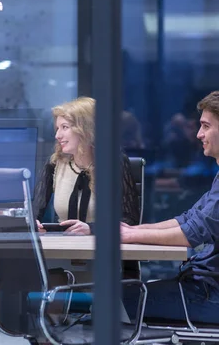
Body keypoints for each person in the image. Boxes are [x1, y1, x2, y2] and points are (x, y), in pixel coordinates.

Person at [122, 91, 219, 324]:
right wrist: (133, 232)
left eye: (206, 126)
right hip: (201, 287)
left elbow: (192, 233)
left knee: (111, 300)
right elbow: (188, 219)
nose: (199, 134)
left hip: (209, 296)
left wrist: (131, 234)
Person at [34, 97, 141, 235]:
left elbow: (129, 220)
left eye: (65, 127)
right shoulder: (54, 164)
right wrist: (33, 223)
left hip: (103, 249)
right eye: (57, 128)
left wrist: (91, 228)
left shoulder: (114, 163)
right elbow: (34, 211)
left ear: (86, 130)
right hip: (64, 247)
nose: (57, 135)